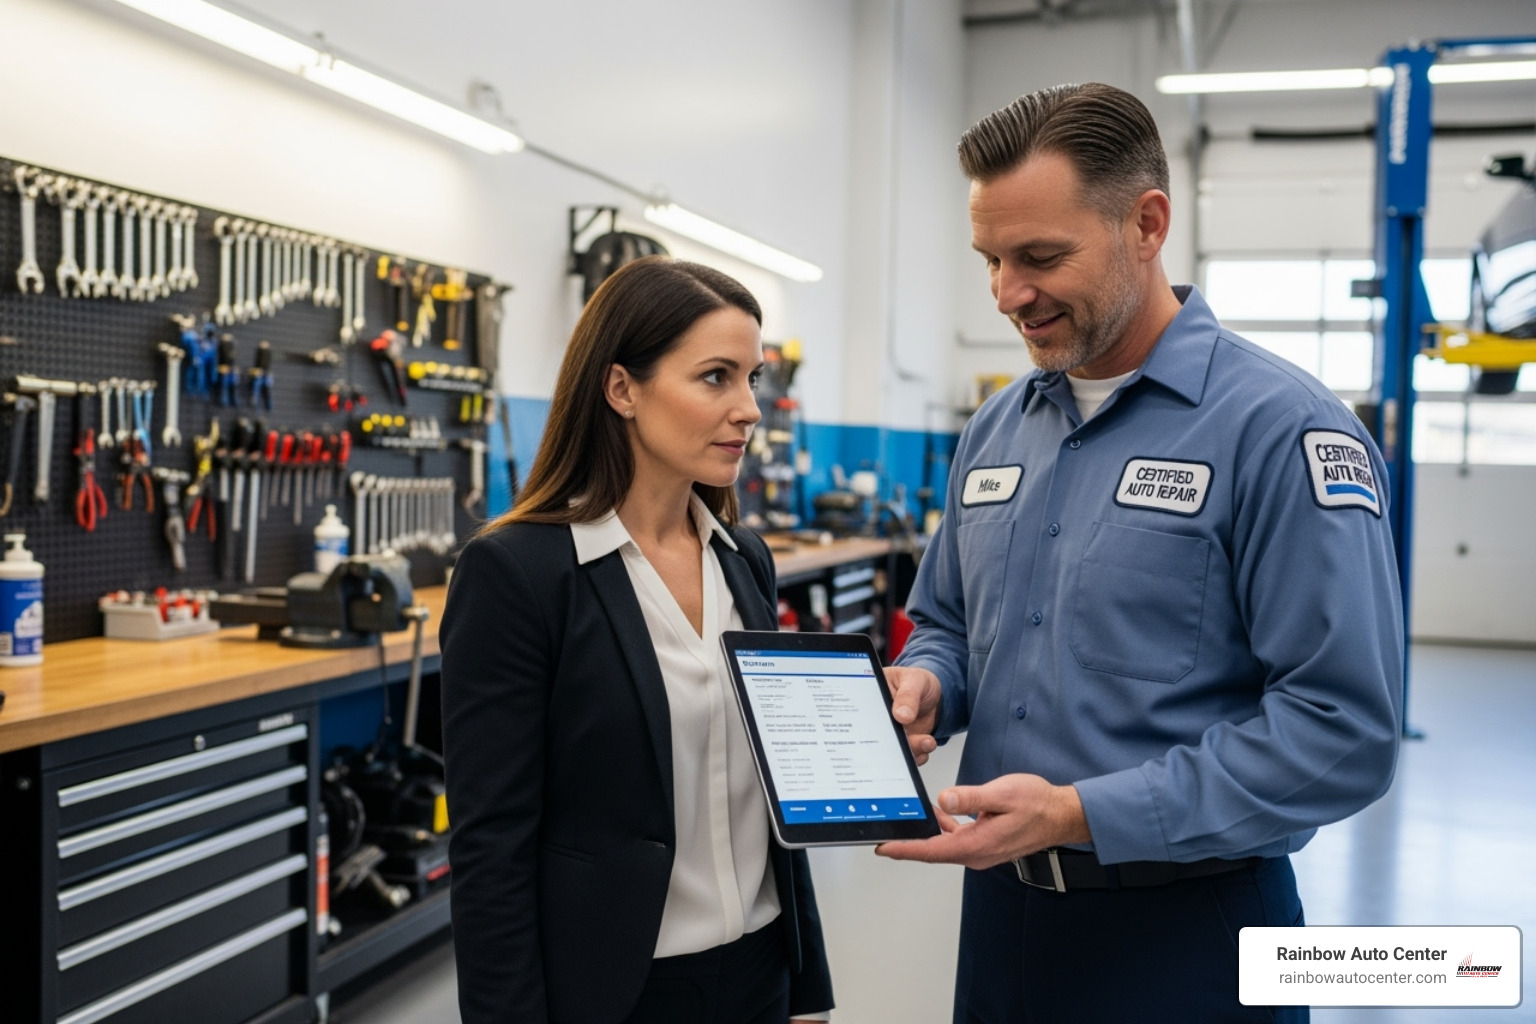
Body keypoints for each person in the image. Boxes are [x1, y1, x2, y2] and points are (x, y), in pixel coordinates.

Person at [876, 83, 1403, 1023]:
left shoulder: (1281, 432)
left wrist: (1082, 815)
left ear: (1147, 223)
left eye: (1040, 256)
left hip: (1195, 934)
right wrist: (927, 682)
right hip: (1002, 923)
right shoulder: (996, 429)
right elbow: (949, 622)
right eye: (990, 259)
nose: (1007, 294)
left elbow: (1341, 733)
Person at [441, 256, 834, 1024]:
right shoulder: (519, 574)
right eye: (716, 377)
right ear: (622, 388)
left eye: (752, 377)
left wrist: (807, 984)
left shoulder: (742, 558)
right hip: (616, 992)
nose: (750, 409)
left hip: (759, 974)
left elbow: (774, 799)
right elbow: (491, 852)